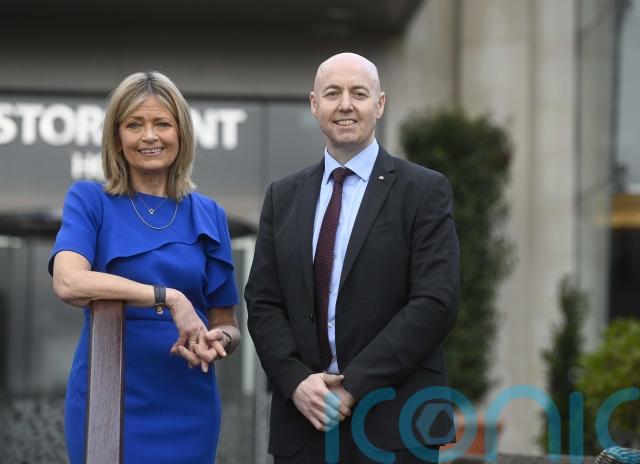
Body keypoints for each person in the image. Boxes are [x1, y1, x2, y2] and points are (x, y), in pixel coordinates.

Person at [245, 52, 459, 463]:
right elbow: (263, 302)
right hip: (303, 422)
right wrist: (296, 381)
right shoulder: (283, 196)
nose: (345, 104)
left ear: (380, 104)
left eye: (359, 93)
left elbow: (435, 303)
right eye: (332, 93)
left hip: (396, 421)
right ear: (314, 104)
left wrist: (352, 386)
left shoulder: (423, 190)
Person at [49, 71, 241, 464]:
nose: (149, 136)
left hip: (189, 403)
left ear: (181, 133)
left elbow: (227, 323)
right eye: (134, 124)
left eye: (162, 123)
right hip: (107, 395)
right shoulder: (90, 200)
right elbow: (68, 282)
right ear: (117, 137)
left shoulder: (209, 214)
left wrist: (216, 341)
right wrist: (168, 298)